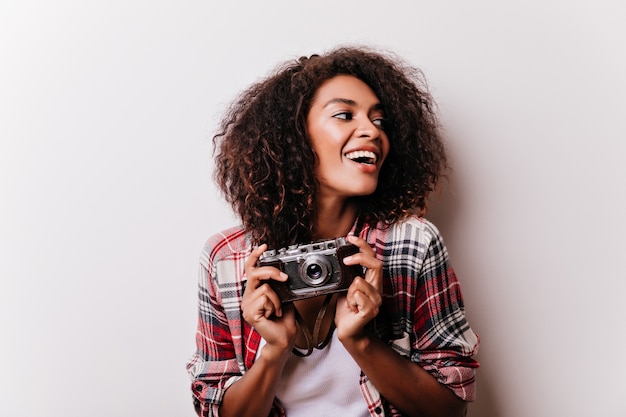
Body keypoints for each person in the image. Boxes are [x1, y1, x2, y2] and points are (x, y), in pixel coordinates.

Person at [186, 45, 479, 417]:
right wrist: (273, 350)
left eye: (380, 121)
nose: (371, 131)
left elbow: (450, 410)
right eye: (344, 114)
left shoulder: (412, 244)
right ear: (293, 136)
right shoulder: (227, 259)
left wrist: (361, 341)